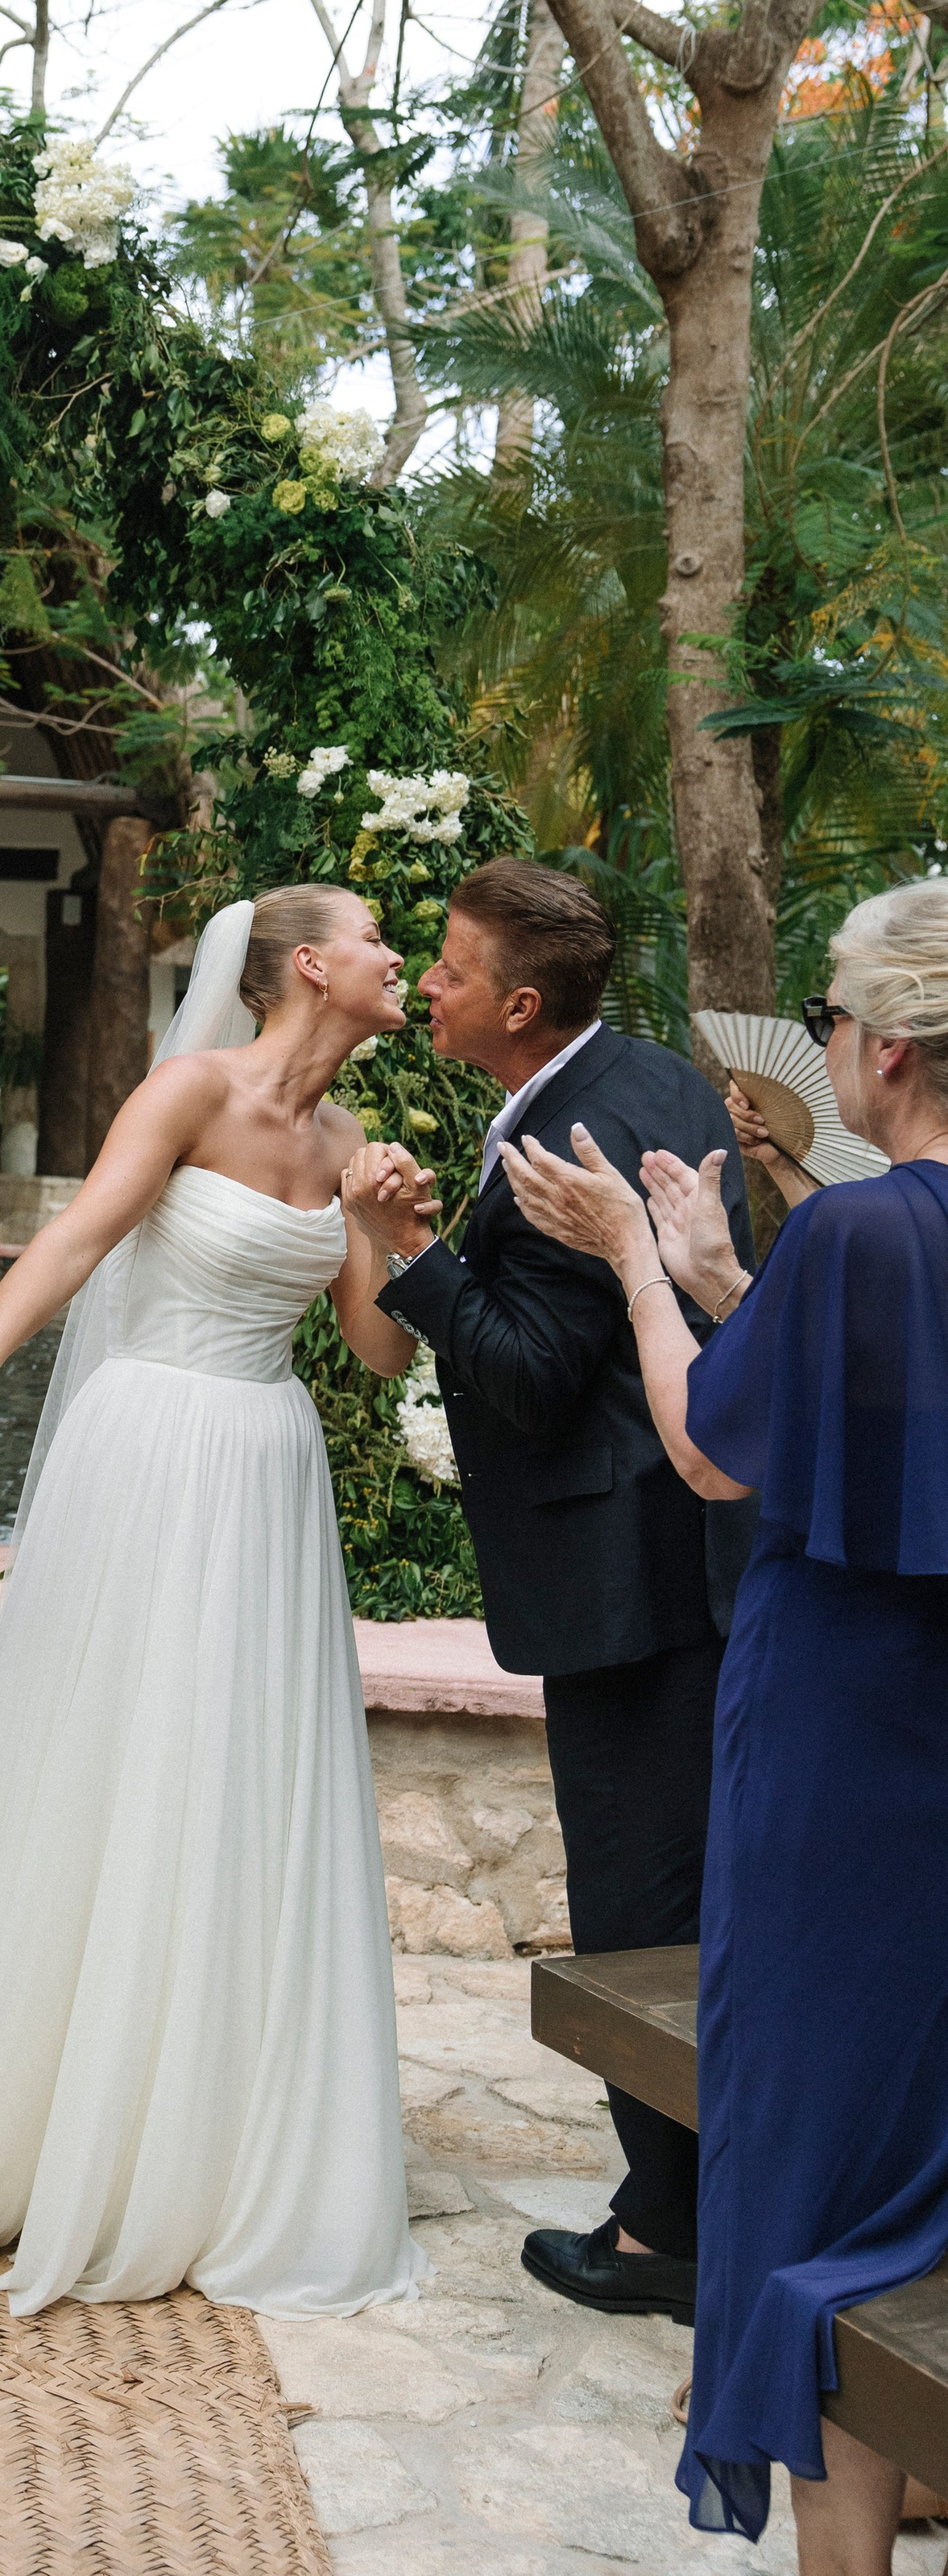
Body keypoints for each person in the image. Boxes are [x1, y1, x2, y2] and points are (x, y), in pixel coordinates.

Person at [0, 888, 424, 2318]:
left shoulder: (347, 1148)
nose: (402, 960)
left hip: (266, 1466)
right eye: (381, 938)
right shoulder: (189, 1090)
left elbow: (378, 1355)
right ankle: (42, 2113)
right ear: (310, 968)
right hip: (146, 1449)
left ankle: (201, 2136)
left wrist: (386, 1231)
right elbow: (76, 1242)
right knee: (111, 1762)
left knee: (232, 1784)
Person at [496, 880, 948, 2576]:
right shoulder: (839, 1238)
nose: (823, 1054)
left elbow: (710, 1453)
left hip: (842, 1739)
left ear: (885, 1046)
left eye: (832, 1026)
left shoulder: (856, 1229)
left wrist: (634, 1263)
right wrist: (725, 1271)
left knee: (813, 2141)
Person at [343, 857, 756, 2324]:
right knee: (680, 1897)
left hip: (632, 1584)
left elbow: (523, 1378)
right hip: (680, 1568)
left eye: (448, 968)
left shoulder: (573, 1137)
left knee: (642, 1911)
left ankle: (668, 2236)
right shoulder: (645, 1072)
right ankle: (686, 2207)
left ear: (519, 1005)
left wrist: (410, 1251)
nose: (429, 984)